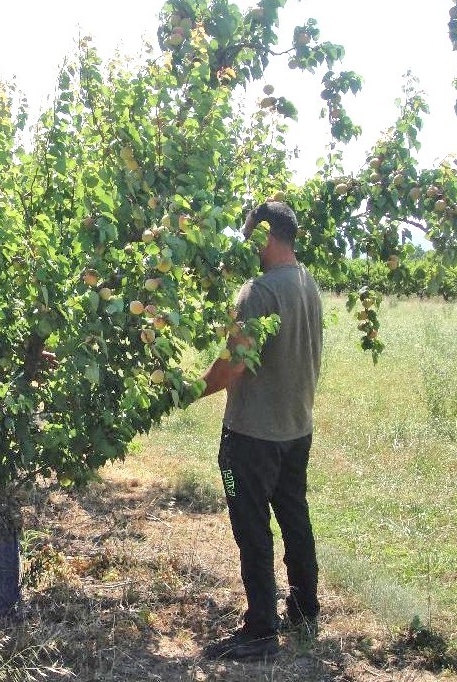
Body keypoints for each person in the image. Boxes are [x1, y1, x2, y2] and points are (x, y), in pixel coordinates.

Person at [198, 201, 323, 660]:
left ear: (265, 236)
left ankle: (260, 630)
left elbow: (234, 365)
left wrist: (185, 390)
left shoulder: (257, 292)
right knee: (294, 516)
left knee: (252, 528)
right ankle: (305, 610)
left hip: (249, 438)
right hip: (296, 428)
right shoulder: (308, 282)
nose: (244, 242)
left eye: (249, 233)